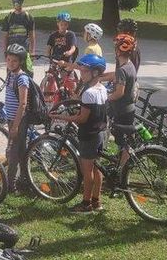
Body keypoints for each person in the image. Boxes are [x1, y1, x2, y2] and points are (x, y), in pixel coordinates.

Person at [56, 54, 108, 213]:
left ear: (95, 73)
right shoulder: (102, 89)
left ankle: (86, 204)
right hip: (100, 133)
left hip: (88, 135)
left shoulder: (88, 93)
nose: (82, 74)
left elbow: (82, 119)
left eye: (85, 71)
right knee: (97, 168)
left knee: (87, 171)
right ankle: (96, 201)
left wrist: (61, 117)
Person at [2, 44, 33, 192]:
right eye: (8, 60)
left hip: (18, 120)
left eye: (14, 61)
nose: (10, 63)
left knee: (13, 152)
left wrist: (15, 126)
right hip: (11, 119)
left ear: (21, 61)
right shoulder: (10, 74)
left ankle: (10, 184)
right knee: (21, 151)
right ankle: (25, 179)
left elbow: (23, 103)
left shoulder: (22, 78)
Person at [108, 34, 139, 165]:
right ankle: (123, 162)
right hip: (129, 108)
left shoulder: (122, 70)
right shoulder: (130, 65)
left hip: (122, 110)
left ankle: (123, 167)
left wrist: (106, 97)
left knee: (122, 140)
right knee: (125, 140)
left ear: (118, 51)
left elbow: (119, 93)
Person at [1, 0, 34, 71]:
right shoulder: (8, 17)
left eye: (20, 2)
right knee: (11, 72)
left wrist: (32, 51)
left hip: (24, 50)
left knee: (26, 71)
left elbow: (32, 35)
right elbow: (5, 36)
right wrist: (5, 51)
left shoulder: (28, 17)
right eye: (16, 3)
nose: (18, 5)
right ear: (13, 3)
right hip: (11, 50)